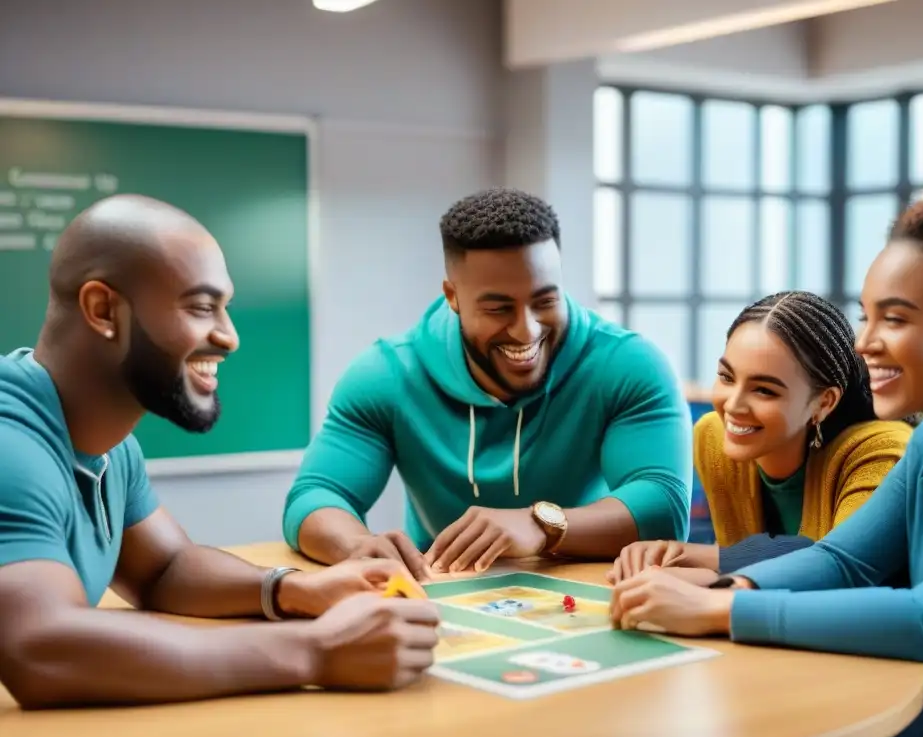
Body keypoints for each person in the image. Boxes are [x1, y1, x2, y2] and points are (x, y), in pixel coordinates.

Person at [608, 190, 923, 737]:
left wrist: (718, 612)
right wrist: (732, 588)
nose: (862, 344)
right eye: (866, 315)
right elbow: (842, 561)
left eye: (895, 319)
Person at [0, 195, 439, 710]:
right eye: (201, 307)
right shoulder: (11, 448)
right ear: (103, 310)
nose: (229, 337)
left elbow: (166, 570)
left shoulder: (111, 447)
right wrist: (316, 651)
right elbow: (41, 650)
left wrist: (295, 591)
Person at [285, 187, 691, 578]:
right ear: (453, 296)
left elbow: (663, 506)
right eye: (499, 309)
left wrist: (542, 525)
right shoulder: (386, 375)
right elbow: (315, 497)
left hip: (585, 591)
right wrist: (354, 545)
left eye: (546, 301)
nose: (526, 330)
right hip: (444, 595)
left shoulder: (628, 365)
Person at [608, 291, 913, 585]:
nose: (733, 405)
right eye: (727, 377)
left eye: (764, 390)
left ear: (824, 402)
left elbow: (840, 566)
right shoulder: (715, 438)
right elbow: (750, 554)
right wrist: (673, 553)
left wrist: (708, 572)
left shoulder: (880, 450)